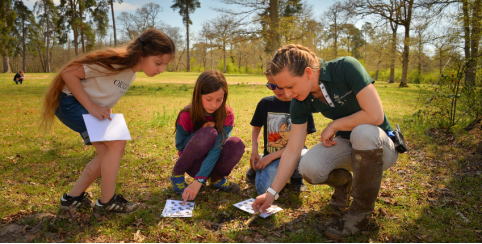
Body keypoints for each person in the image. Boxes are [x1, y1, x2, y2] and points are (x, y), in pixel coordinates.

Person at [252, 45, 399, 239]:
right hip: (349, 146)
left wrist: (335, 125)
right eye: (281, 88)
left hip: (380, 146)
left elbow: (375, 115)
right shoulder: (300, 101)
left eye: (290, 86)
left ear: (308, 73)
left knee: (362, 132)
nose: (287, 95)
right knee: (308, 166)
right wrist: (271, 193)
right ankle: (345, 183)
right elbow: (293, 149)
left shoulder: (346, 68)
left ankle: (361, 214)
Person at [40, 29, 175, 215]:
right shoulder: (116, 62)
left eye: (164, 65)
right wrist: (91, 107)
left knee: (107, 153)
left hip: (82, 106)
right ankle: (106, 203)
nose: (160, 69)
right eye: (158, 63)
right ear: (142, 54)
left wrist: (106, 113)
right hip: (69, 103)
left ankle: (71, 199)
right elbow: (68, 73)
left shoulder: (131, 72)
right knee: (117, 142)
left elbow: (105, 93)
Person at [171, 70, 245, 205]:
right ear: (198, 95)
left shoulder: (227, 115)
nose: (214, 105)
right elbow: (180, 146)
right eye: (209, 99)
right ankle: (177, 175)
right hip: (193, 165)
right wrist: (201, 132)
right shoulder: (187, 115)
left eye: (219, 100)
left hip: (213, 162)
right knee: (209, 133)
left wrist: (199, 180)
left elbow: (217, 149)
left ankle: (216, 179)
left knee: (236, 143)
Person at [246, 65, 317, 195]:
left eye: (279, 86)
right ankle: (260, 167)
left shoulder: (302, 104)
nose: (276, 90)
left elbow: (299, 144)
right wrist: (255, 150)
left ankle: (296, 178)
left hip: (295, 154)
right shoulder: (265, 103)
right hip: (272, 158)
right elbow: (256, 127)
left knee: (305, 154)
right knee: (263, 190)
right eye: (271, 86)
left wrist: (269, 158)